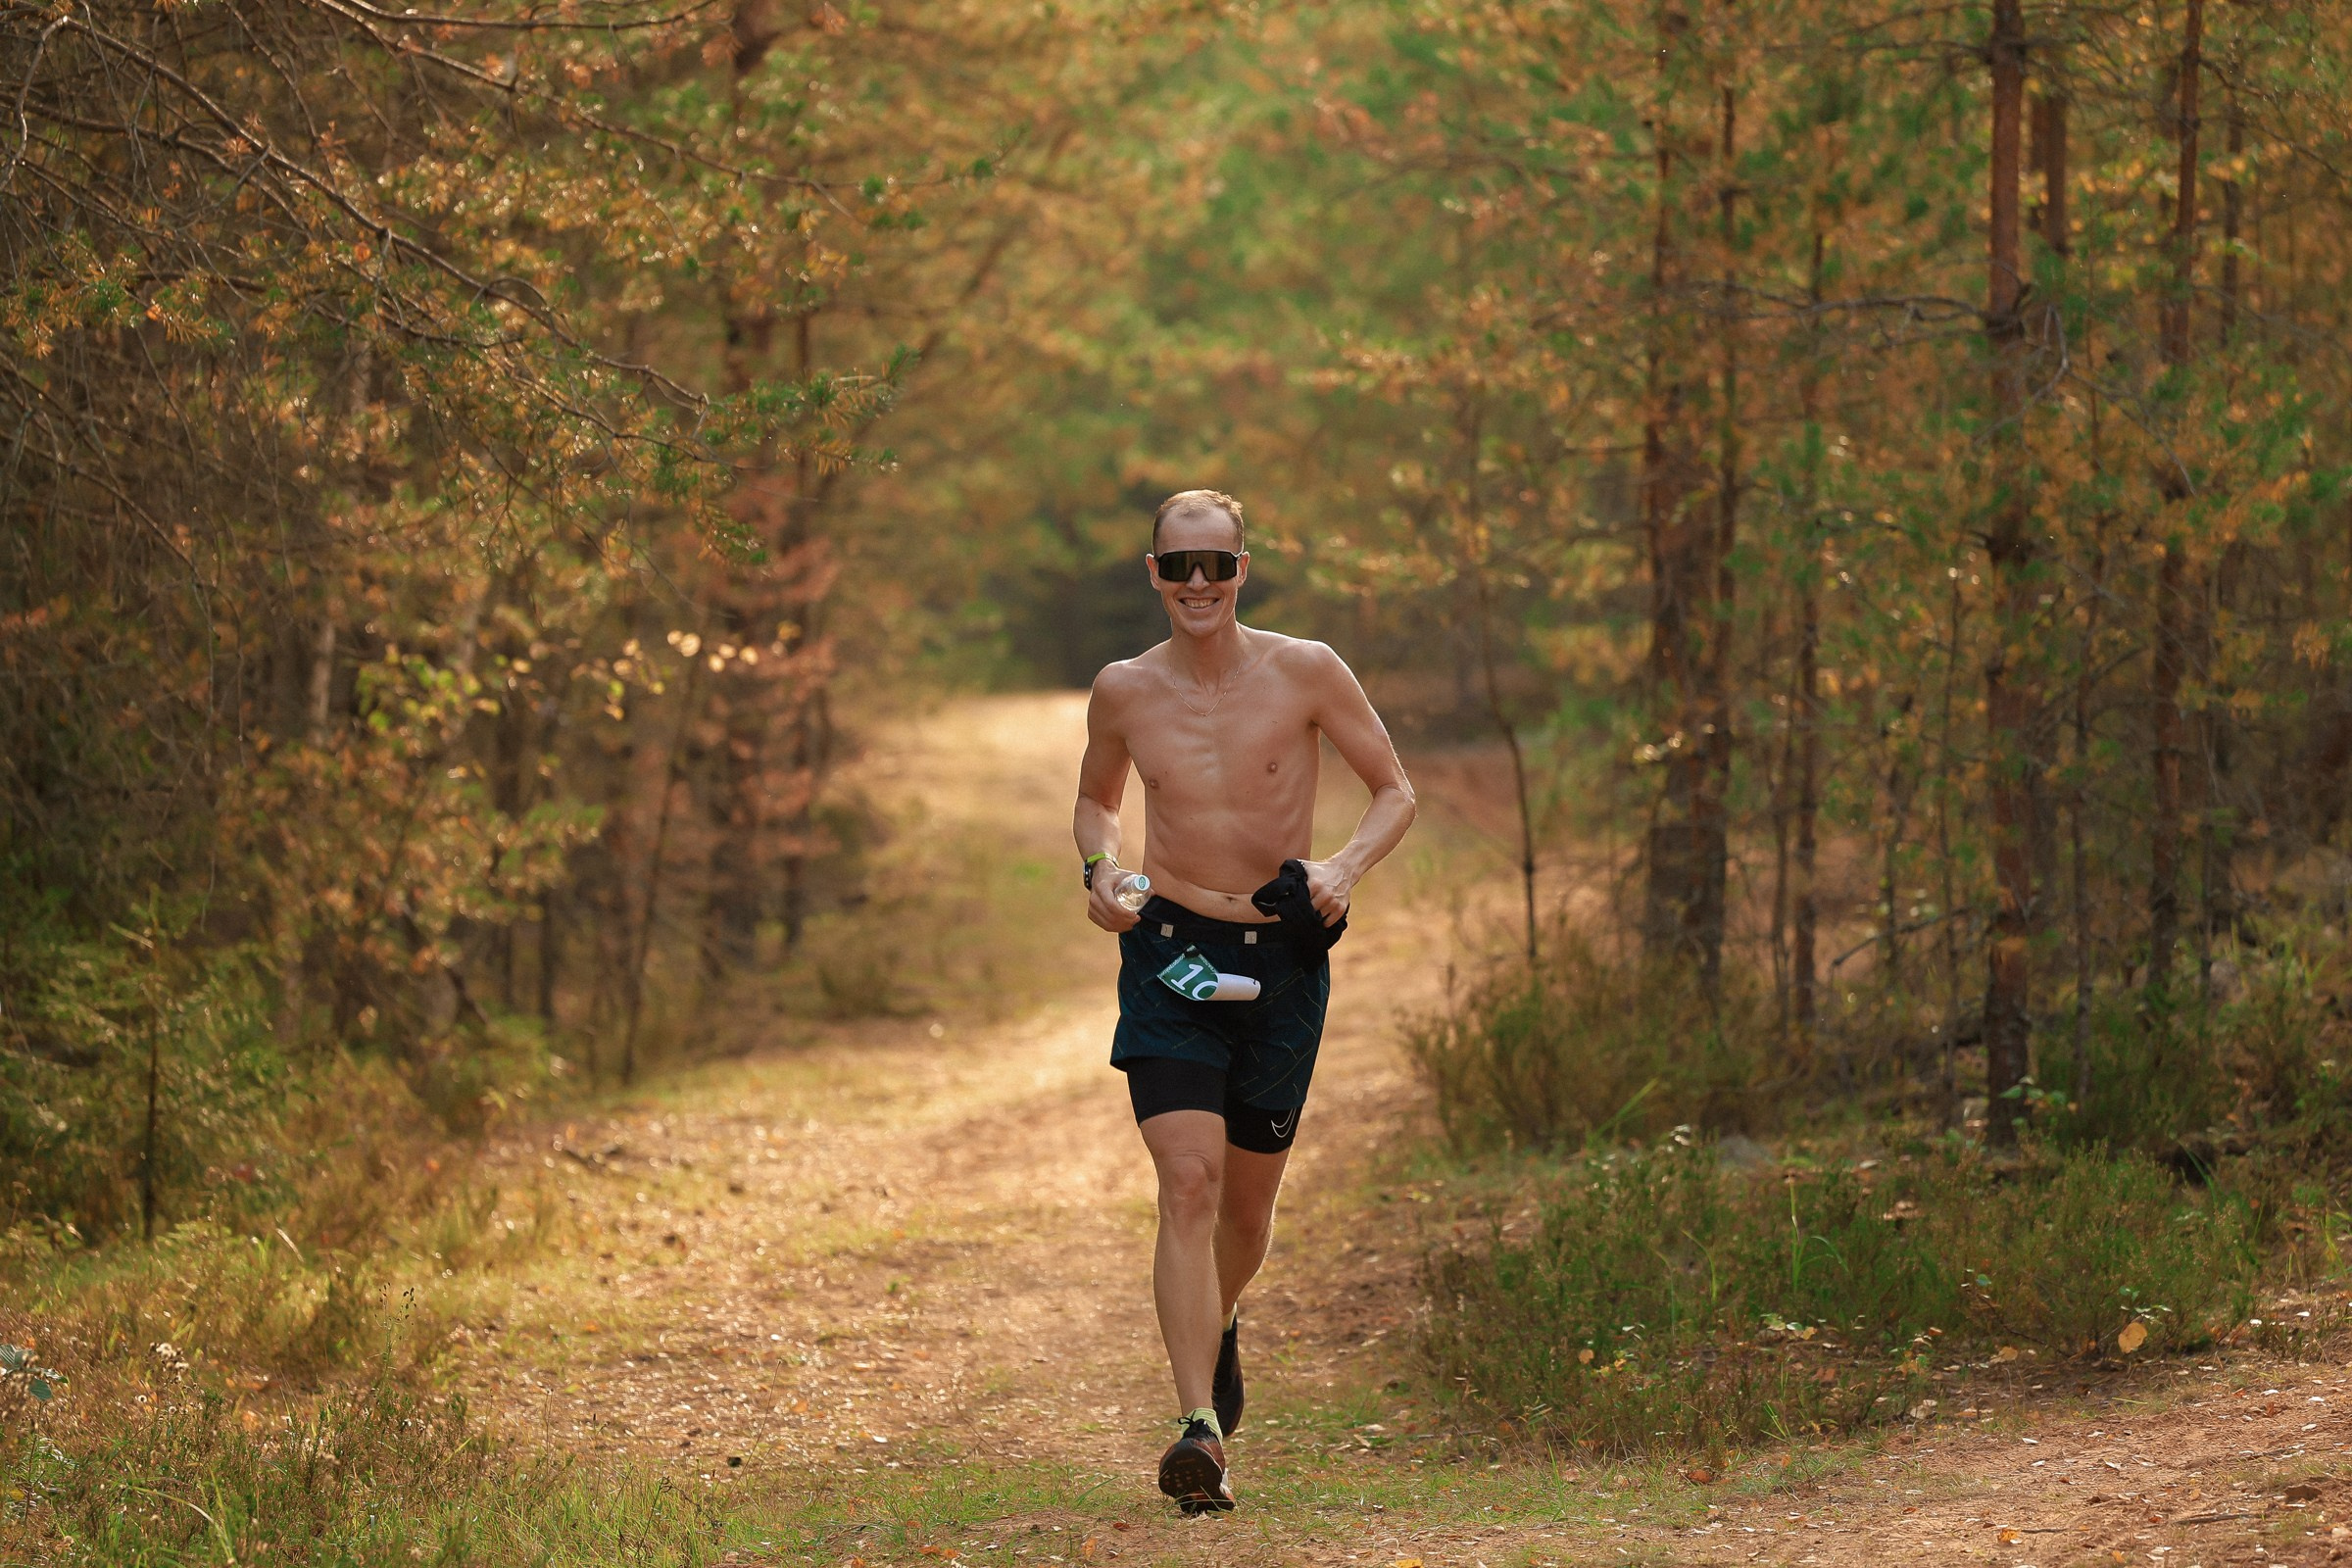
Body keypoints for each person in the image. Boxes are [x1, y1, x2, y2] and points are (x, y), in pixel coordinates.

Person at [1071, 489, 1416, 1514]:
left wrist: (1344, 868)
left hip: (1283, 957)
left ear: (1242, 568)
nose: (1197, 586)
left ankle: (1217, 1321)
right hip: (1169, 951)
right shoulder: (1124, 690)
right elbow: (1098, 798)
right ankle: (1199, 1430)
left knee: (1245, 1208)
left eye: (1214, 565)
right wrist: (1101, 869)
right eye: (1177, 567)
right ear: (1152, 574)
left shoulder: (1306, 669)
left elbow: (1395, 787)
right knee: (1187, 1177)